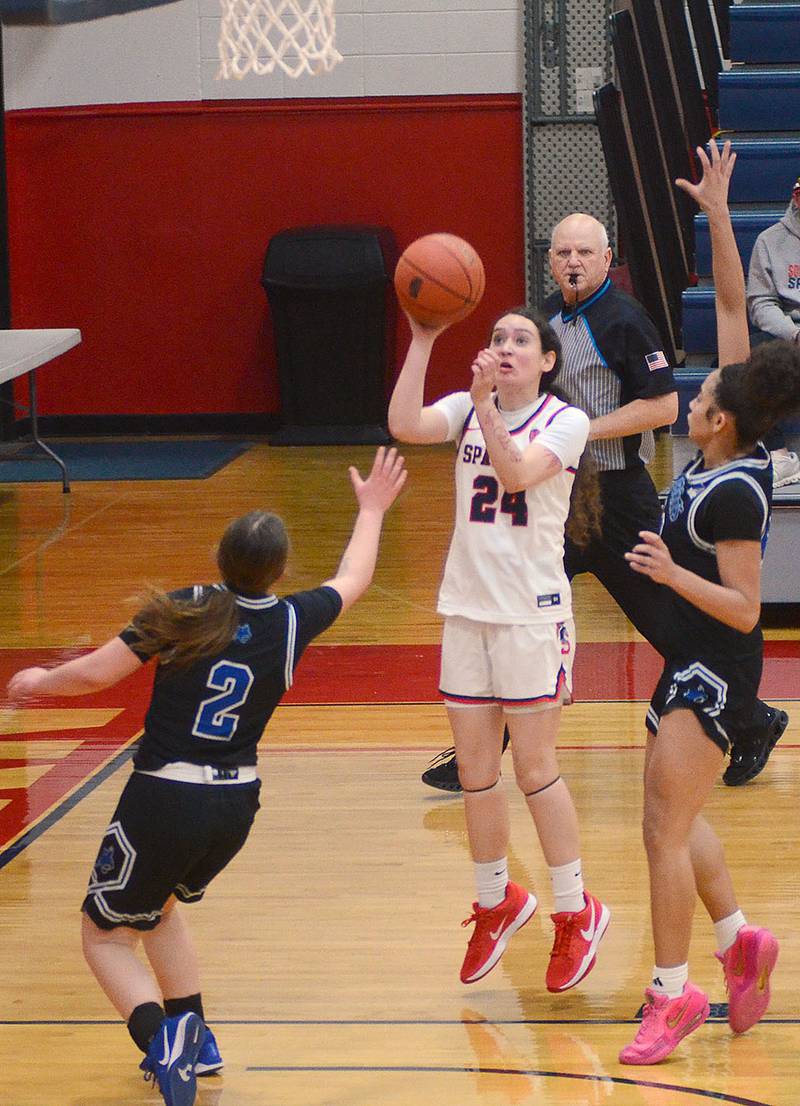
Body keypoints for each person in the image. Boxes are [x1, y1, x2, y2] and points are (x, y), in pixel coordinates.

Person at [5, 448, 407, 1106]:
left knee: (103, 936)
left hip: (166, 796)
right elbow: (355, 577)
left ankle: (163, 1039)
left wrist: (38, 681)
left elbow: (96, 675)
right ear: (281, 571)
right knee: (159, 909)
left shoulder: (187, 606)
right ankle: (200, 1038)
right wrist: (372, 509)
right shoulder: (291, 621)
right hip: (235, 805)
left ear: (218, 558)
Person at [421, 213, 788, 793]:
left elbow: (665, 407)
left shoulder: (625, 319)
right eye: (563, 252)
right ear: (550, 260)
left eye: (585, 253)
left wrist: (576, 431)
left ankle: (751, 720)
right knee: (517, 608)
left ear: (606, 258)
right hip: (554, 496)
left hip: (616, 497)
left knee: (666, 622)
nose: (573, 262)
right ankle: (486, 745)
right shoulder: (539, 321)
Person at [618, 139, 793, 1066]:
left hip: (715, 670)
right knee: (673, 821)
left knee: (662, 833)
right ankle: (740, 942)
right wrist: (721, 218)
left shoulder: (732, 491)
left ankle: (672, 993)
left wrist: (668, 572)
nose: (691, 398)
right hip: (690, 661)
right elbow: (731, 307)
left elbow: (745, 609)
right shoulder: (724, 444)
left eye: (700, 398)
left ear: (719, 417)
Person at [388, 304, 610, 994]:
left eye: (521, 340)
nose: (506, 347)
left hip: (531, 617)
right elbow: (403, 424)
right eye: (497, 338)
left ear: (547, 361)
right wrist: (423, 340)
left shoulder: (566, 422)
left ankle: (575, 910)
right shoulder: (465, 408)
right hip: (466, 611)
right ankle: (496, 901)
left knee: (535, 770)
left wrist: (484, 405)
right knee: (476, 773)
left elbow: (514, 475)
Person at [746, 173, 800, 487]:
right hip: (788, 337)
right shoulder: (769, 241)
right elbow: (761, 303)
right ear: (796, 197)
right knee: (750, 356)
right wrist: (793, 334)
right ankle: (779, 455)